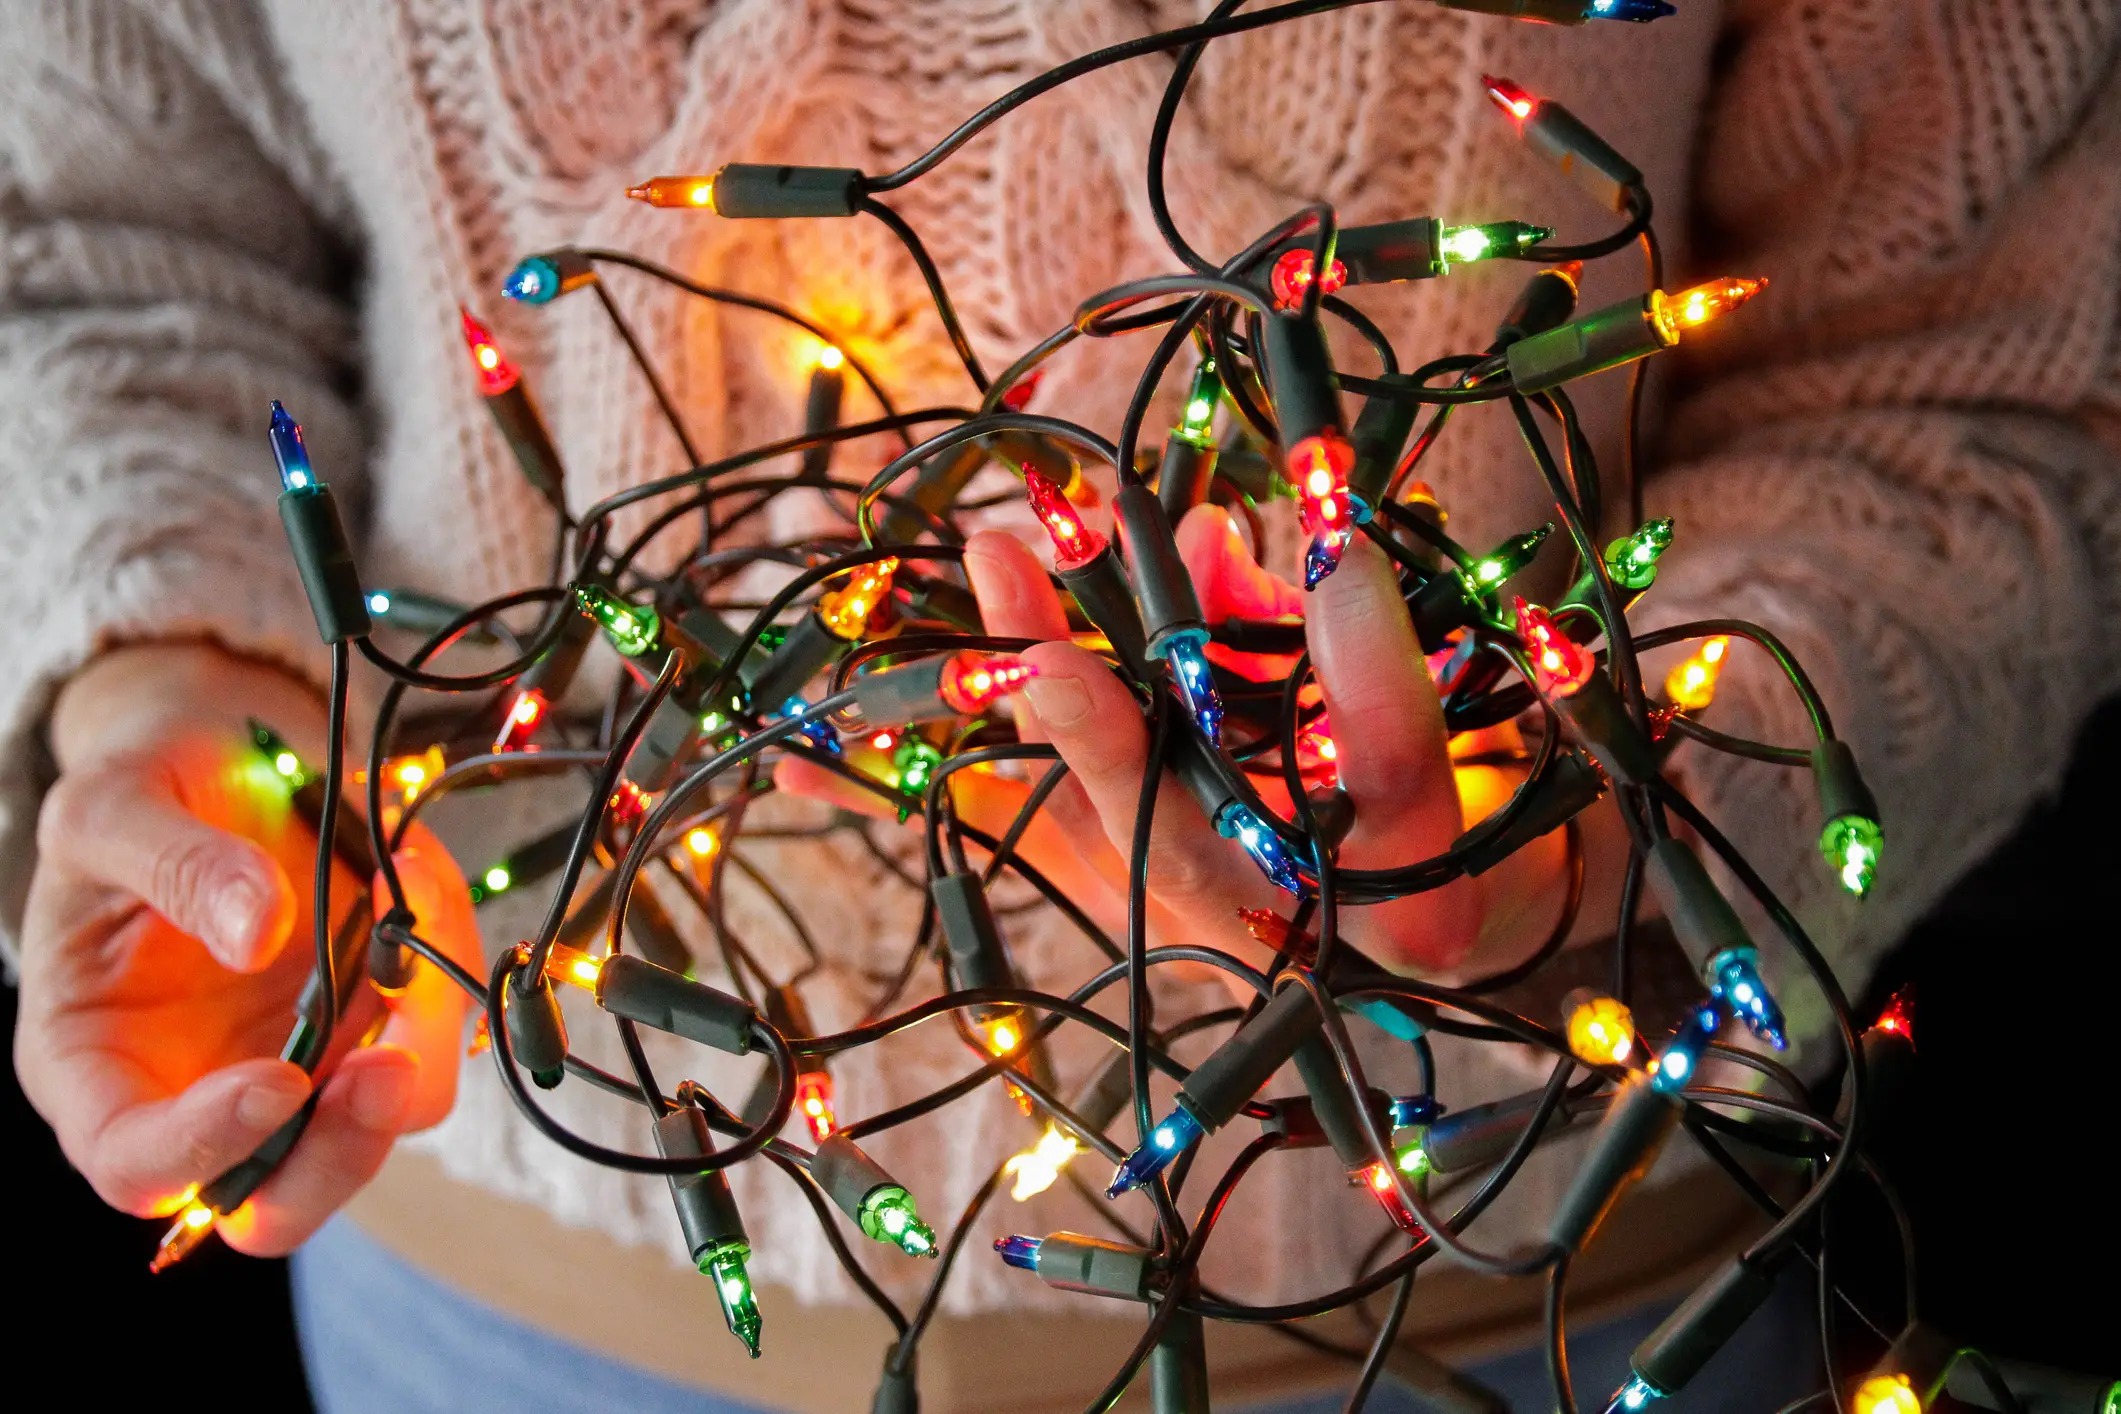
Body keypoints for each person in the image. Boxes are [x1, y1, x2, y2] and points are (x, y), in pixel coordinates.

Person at [3, 3, 2115, 1411]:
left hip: (1547, 1306)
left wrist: (1610, 828)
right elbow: (107, 240)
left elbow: (1983, 384)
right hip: (490, 1315)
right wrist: (172, 676)